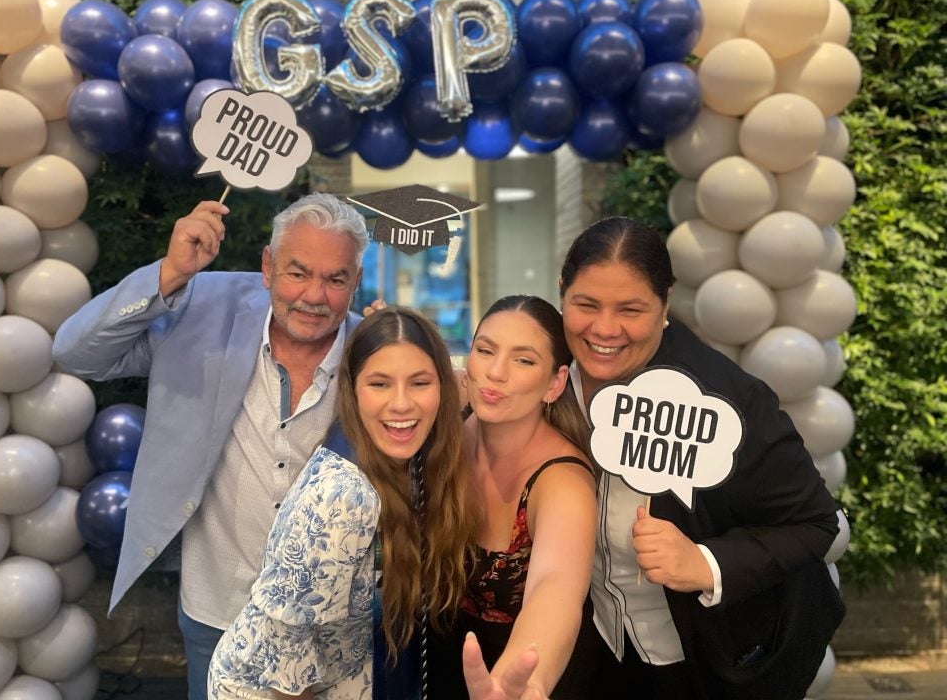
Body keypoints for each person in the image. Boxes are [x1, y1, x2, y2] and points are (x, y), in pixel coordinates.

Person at [52, 193, 370, 700]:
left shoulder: (375, 351)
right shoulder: (202, 305)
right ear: (267, 267)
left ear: (355, 282)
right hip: (217, 610)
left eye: (336, 279)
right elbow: (76, 352)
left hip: (328, 626)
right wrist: (169, 273)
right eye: (298, 272)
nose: (315, 295)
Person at [558, 216, 844, 700]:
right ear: (562, 293)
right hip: (601, 657)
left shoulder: (730, 399)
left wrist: (706, 563)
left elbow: (817, 523)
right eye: (585, 304)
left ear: (665, 304)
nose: (604, 329)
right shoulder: (551, 381)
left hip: (709, 664)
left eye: (631, 309)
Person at [208, 306, 475, 699]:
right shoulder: (345, 497)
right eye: (379, 384)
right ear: (352, 391)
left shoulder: (401, 454)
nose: (401, 404)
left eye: (420, 383)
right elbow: (285, 666)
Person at [427, 295, 599, 700]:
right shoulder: (447, 431)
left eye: (523, 360)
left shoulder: (562, 481)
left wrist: (525, 678)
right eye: (485, 351)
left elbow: (554, 588)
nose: (496, 372)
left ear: (555, 383)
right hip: (440, 669)